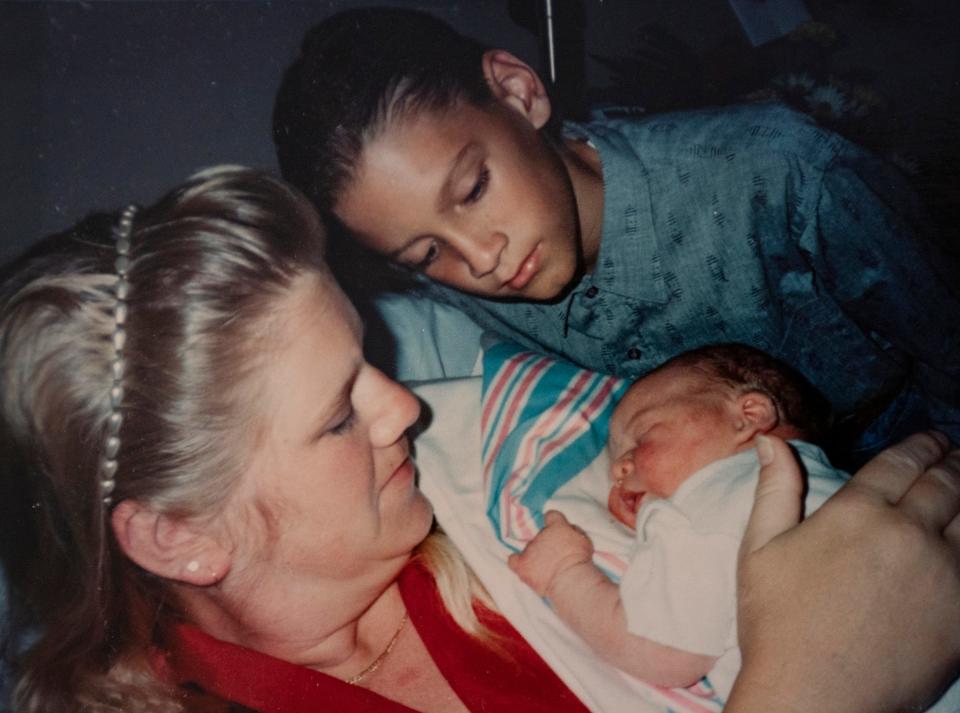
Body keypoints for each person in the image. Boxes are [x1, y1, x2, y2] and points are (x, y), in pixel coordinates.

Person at [1, 167, 959, 713]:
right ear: (179, 534)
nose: (404, 406)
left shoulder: (492, 442)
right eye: (339, 415)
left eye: (367, 355)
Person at [272, 7, 960, 465]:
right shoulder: (455, 292)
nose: (483, 258)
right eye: (426, 253)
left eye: (474, 190)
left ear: (519, 92)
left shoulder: (790, 175)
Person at [505, 345, 843, 699]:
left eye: (642, 436)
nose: (617, 469)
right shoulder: (838, 487)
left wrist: (564, 572)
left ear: (748, 415)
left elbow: (660, 651)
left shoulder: (708, 500)